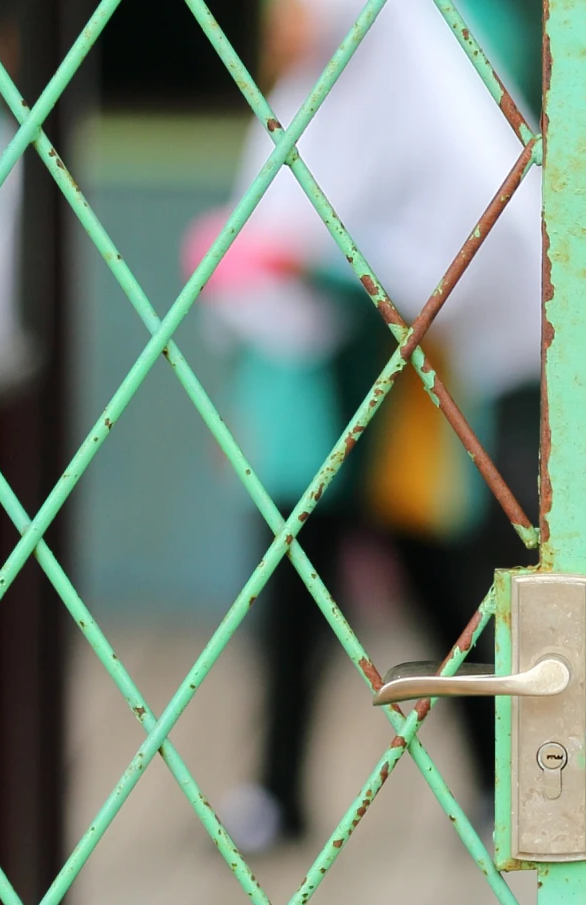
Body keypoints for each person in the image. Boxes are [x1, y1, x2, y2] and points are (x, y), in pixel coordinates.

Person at [203, 0, 542, 849]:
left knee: (442, 583)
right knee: (294, 587)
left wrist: (319, 259)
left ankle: (506, 782)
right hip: (308, 396)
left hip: (403, 388)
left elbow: (470, 224)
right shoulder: (312, 85)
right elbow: (270, 217)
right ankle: (277, 789)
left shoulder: (420, 75)